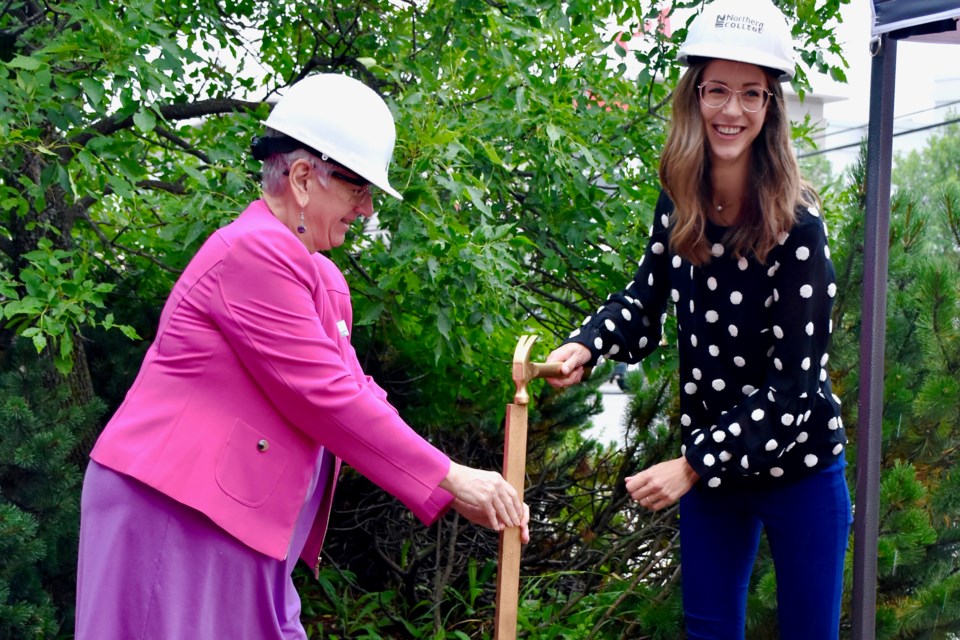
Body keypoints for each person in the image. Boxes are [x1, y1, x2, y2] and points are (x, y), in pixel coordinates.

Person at [75, 73, 528, 640]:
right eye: (358, 187)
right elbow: (327, 398)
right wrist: (451, 476)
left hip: (240, 522)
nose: (366, 210)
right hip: (173, 510)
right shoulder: (253, 252)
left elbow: (358, 392)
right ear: (303, 176)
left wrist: (446, 481)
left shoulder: (323, 279)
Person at [546, 1, 851, 637]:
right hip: (714, 475)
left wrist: (691, 465)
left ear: (770, 107)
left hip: (800, 472)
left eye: (750, 93)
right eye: (717, 90)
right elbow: (644, 301)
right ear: (695, 95)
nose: (731, 111)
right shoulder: (679, 199)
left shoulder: (800, 229)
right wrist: (586, 346)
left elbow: (794, 393)